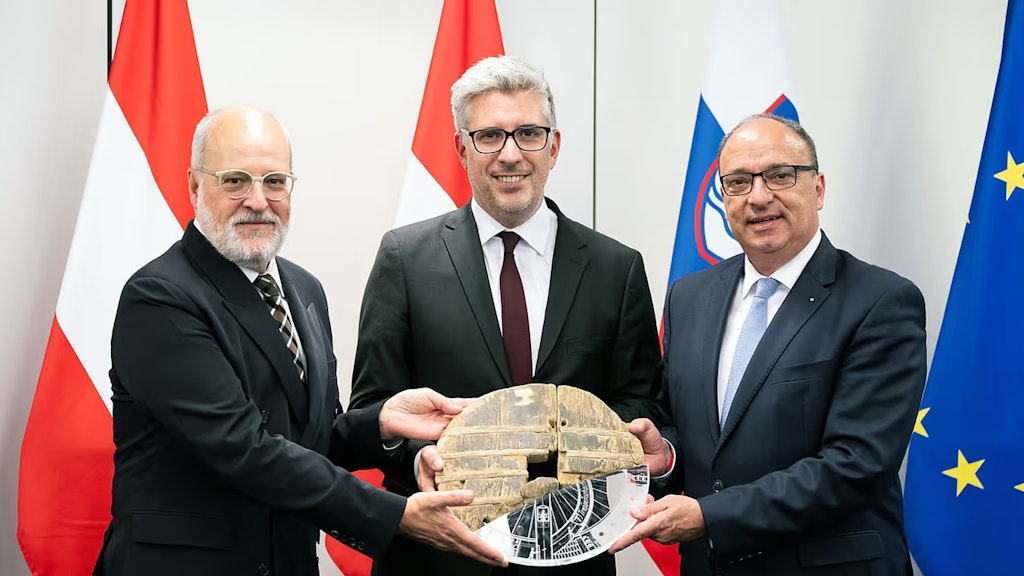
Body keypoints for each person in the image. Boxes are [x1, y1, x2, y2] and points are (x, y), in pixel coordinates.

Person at [93, 106, 506, 576]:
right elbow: (244, 448)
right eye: (235, 181)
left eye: (274, 181)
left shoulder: (303, 289)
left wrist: (383, 423)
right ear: (193, 185)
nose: (257, 200)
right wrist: (395, 516)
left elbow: (311, 440)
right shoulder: (160, 298)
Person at [348, 56, 662, 576]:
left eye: (529, 134)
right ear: (462, 148)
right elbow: (375, 407)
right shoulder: (404, 258)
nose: (510, 154)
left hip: (572, 555)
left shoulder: (616, 268)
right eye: (490, 136)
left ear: (554, 147)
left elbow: (642, 399)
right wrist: (415, 460)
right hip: (438, 555)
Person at [608, 114, 927, 575]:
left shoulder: (881, 302)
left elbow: (857, 465)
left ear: (817, 188)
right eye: (738, 182)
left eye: (780, 175)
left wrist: (710, 516)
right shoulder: (690, 296)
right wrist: (666, 457)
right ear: (723, 198)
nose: (759, 197)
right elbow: (686, 429)